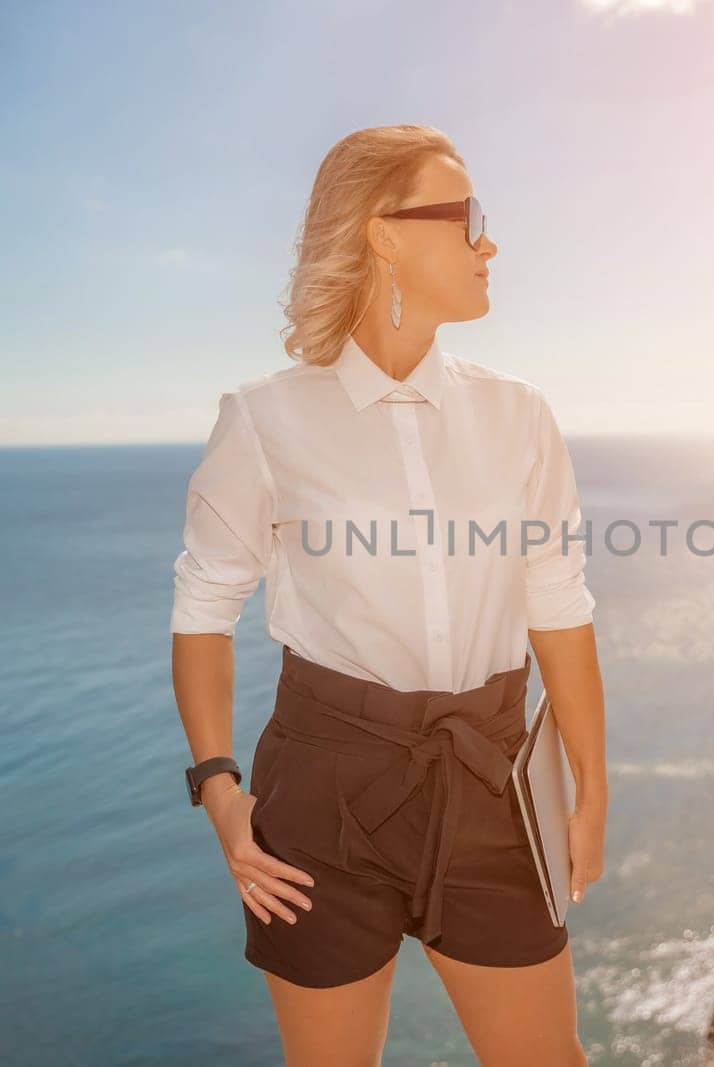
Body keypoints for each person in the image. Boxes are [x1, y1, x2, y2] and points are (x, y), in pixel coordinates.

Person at [169, 124, 607, 1066]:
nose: (489, 243)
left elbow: (559, 600)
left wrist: (591, 785)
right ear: (383, 234)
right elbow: (204, 608)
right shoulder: (264, 419)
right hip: (321, 793)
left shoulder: (519, 414)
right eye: (469, 217)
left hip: (491, 780)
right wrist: (219, 791)